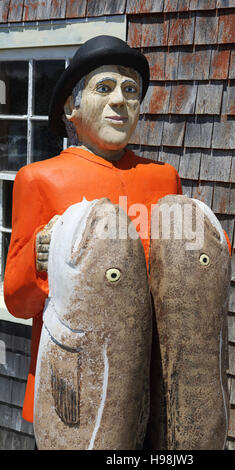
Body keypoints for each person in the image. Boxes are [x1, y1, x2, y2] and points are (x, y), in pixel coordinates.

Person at [3, 35, 183, 424]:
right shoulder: (40, 179)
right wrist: (38, 256)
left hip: (144, 387)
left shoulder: (164, 179)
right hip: (70, 385)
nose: (120, 100)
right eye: (105, 88)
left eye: (131, 90)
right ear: (72, 105)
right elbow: (18, 300)